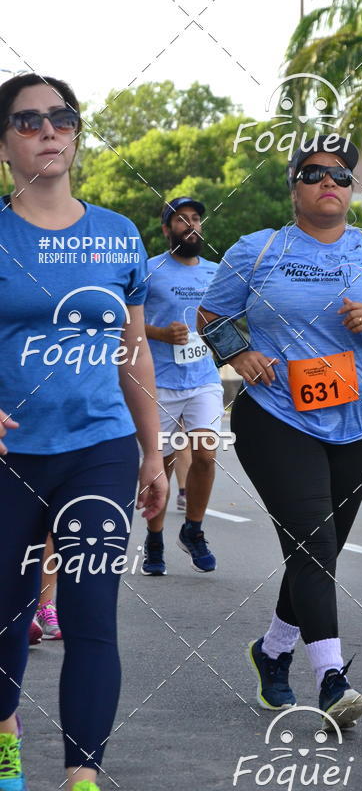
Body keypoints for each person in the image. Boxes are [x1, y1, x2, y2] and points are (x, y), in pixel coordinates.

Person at [199, 136, 362, 728]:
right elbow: (209, 315)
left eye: (341, 176)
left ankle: (272, 651)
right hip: (275, 416)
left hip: (356, 423)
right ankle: (332, 680)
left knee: (317, 554)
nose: (329, 182)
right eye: (313, 174)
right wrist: (240, 354)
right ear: (293, 185)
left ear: (352, 189)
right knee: (316, 547)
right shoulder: (259, 250)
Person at [0, 73, 167, 791]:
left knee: (92, 620)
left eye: (61, 117)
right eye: (28, 120)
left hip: (98, 450)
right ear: (5, 142)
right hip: (9, 456)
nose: (48, 129)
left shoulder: (117, 234)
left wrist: (153, 451)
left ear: (75, 133)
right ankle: (5, 729)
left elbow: (134, 349)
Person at [142, 197, 223, 575]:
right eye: (181, 220)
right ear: (166, 230)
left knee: (206, 454)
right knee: (162, 467)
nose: (191, 225)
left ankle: (193, 529)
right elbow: (124, 322)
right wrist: (159, 332)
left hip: (203, 379)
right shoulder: (149, 270)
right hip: (159, 384)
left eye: (195, 219)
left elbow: (227, 320)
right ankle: (155, 539)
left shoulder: (216, 272)